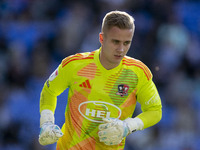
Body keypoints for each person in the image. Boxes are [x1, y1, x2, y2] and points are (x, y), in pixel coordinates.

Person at [38, 10, 162, 150]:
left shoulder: (137, 72)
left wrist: (127, 126)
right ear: (102, 38)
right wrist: (46, 122)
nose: (121, 49)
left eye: (127, 43)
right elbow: (49, 90)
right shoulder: (74, 65)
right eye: (115, 42)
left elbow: (155, 110)